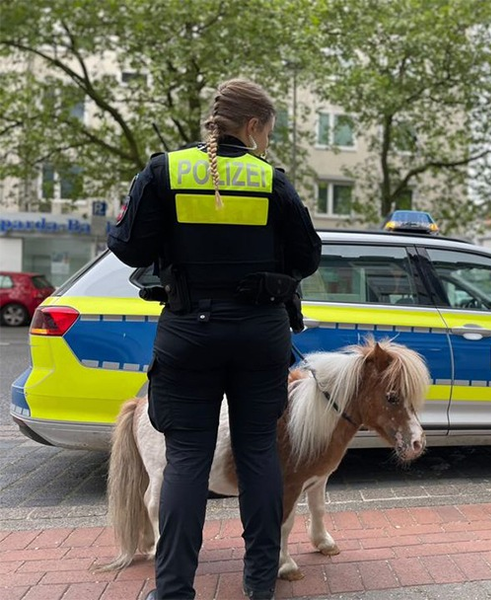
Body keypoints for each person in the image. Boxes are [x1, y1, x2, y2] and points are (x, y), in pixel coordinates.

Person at [108, 78, 321, 600]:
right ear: (252, 126)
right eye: (267, 131)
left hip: (188, 334)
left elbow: (129, 247)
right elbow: (308, 256)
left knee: (185, 459)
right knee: (258, 453)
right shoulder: (272, 180)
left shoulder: (164, 171)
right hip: (259, 334)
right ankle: (259, 585)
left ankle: (174, 590)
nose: (266, 141)